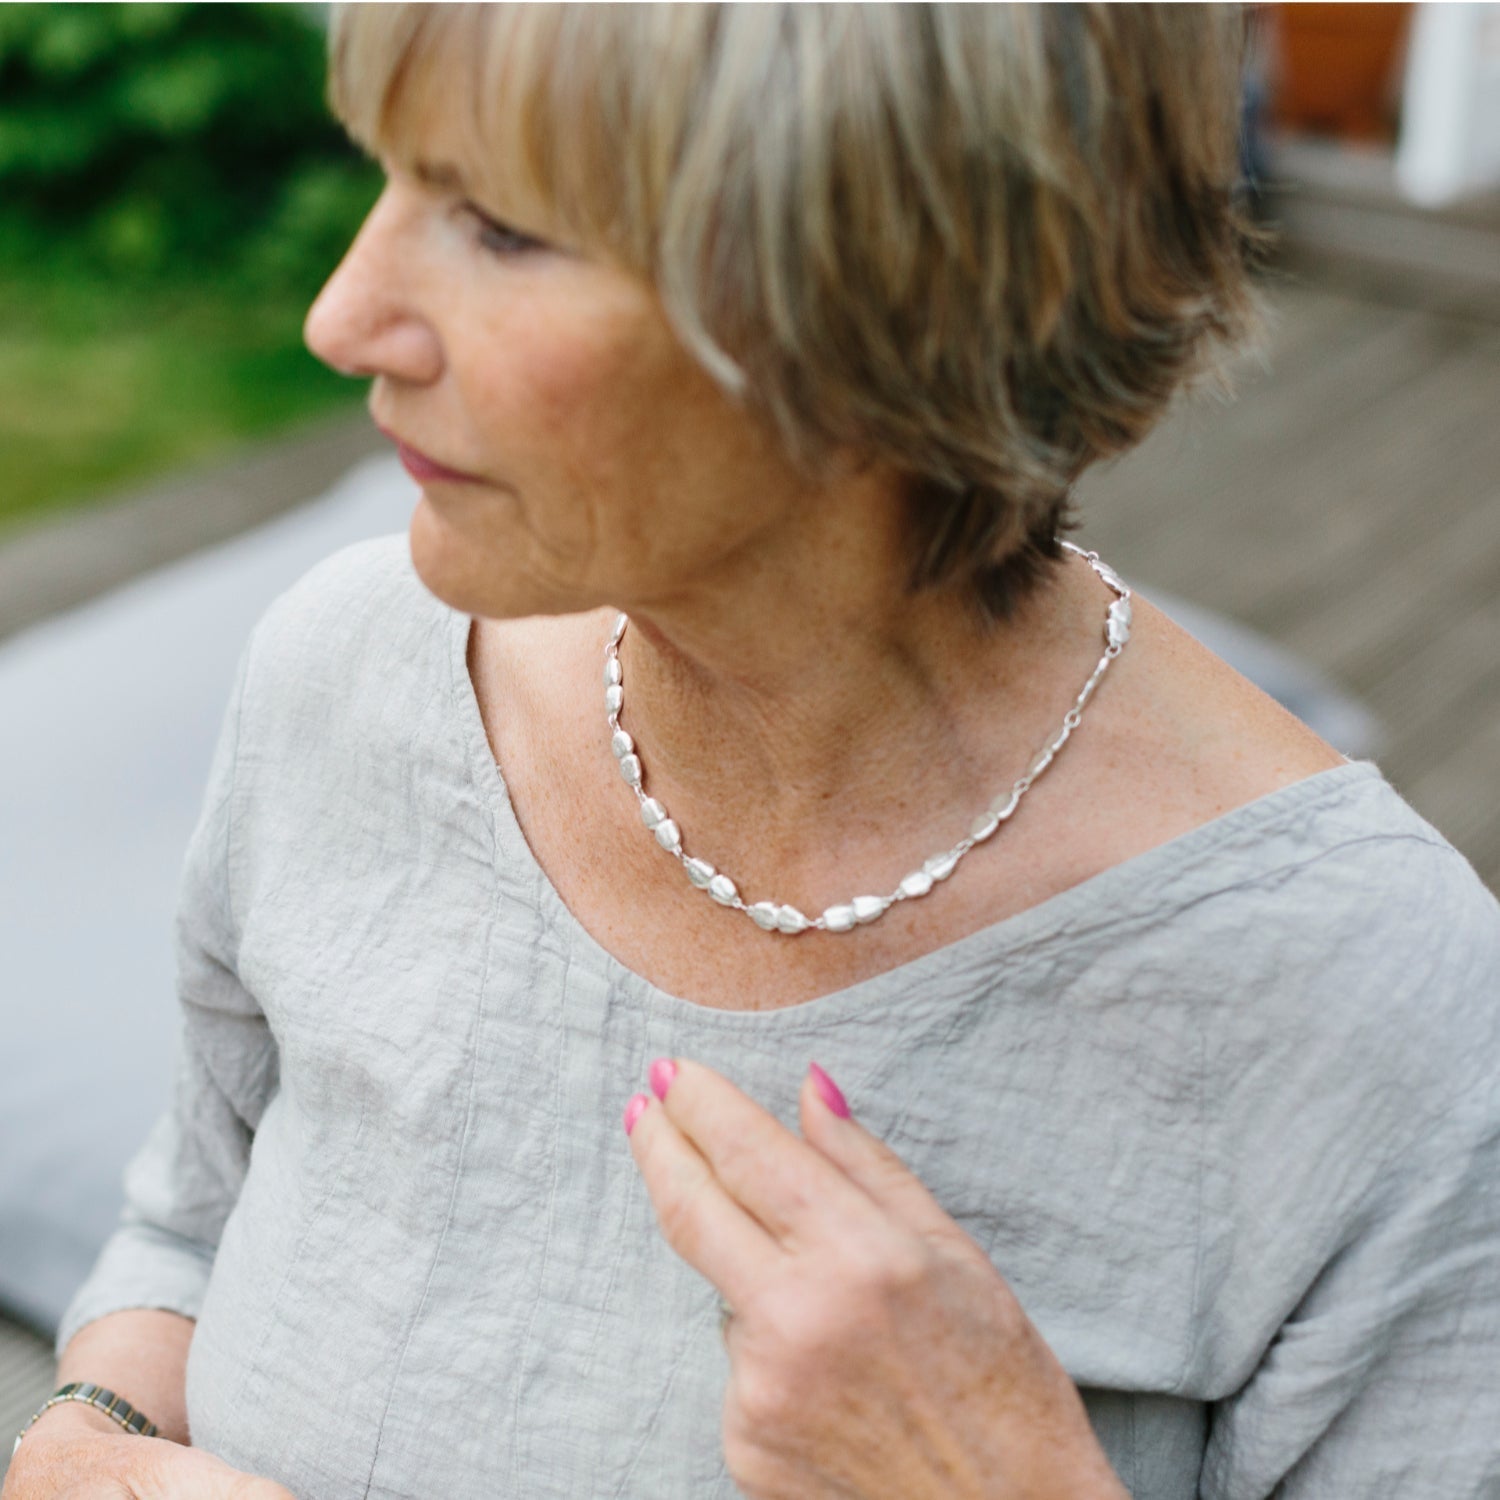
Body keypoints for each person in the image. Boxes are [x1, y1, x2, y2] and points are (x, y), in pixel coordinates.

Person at [8, 5, 1498, 1498]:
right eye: (390, 177)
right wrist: (92, 1439)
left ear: (889, 304)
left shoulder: (1388, 1019)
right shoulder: (344, 669)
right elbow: (192, 1226)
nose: (344, 315)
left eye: (502, 227)